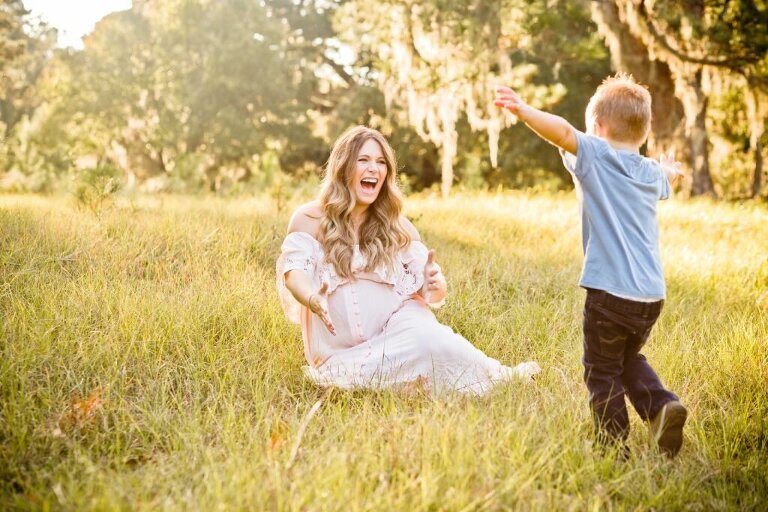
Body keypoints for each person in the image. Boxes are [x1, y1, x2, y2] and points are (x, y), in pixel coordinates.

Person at [493, 74, 687, 456]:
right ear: (643, 134)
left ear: (597, 129)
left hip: (610, 294)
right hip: (650, 296)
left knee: (602, 370)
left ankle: (612, 447)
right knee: (626, 358)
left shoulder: (595, 154)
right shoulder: (648, 171)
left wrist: (522, 109)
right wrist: (671, 170)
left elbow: (562, 132)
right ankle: (661, 406)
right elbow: (667, 176)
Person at [276, 125, 540, 395]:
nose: (373, 169)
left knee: (432, 342)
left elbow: (429, 290)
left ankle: (500, 379)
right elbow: (294, 272)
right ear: (343, 167)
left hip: (399, 329)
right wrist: (312, 297)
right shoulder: (309, 219)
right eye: (363, 160)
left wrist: (432, 284)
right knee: (358, 384)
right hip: (339, 354)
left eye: (381, 163)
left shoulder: (399, 227)